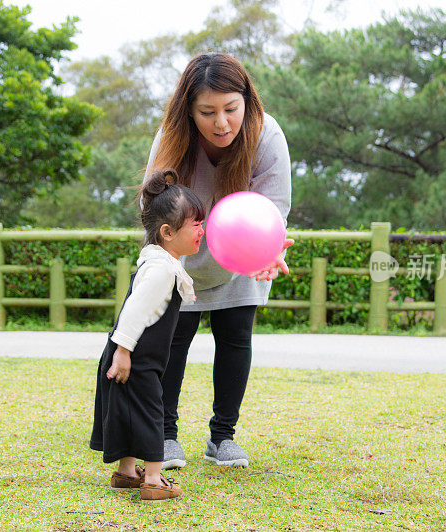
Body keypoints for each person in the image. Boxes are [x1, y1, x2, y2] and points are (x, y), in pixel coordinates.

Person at [144, 52, 293, 469]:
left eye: (231, 108)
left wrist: (270, 250)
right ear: (189, 111)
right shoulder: (172, 137)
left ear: (248, 101)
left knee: (235, 338)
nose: (221, 122)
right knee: (172, 342)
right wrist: (164, 261)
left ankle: (222, 437)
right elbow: (153, 207)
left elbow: (273, 208)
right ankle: (165, 434)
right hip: (183, 250)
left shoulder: (266, 136)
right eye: (207, 112)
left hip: (241, 250)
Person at [89, 169, 206, 502]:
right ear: (167, 232)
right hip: (133, 357)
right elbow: (135, 311)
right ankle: (153, 480)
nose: (201, 230)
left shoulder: (161, 262)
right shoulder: (160, 270)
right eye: (194, 224)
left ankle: (127, 472)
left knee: (129, 411)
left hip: (130, 356)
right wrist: (123, 352)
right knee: (151, 412)